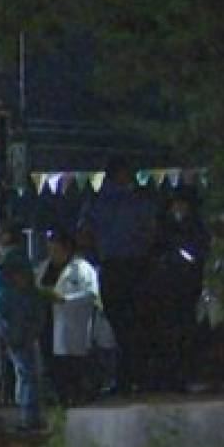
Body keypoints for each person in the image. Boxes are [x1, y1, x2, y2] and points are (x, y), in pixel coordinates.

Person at [78, 156, 157, 392]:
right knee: (133, 324)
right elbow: (151, 230)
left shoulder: (96, 202)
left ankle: (126, 376)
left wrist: (95, 258)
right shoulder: (136, 201)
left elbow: (84, 234)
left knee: (121, 324)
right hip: (133, 265)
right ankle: (134, 375)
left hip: (114, 265)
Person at [143, 187, 211, 391]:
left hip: (188, 285)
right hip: (165, 287)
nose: (178, 208)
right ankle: (168, 376)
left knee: (187, 329)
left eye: (182, 204)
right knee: (166, 331)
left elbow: (200, 249)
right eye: (175, 204)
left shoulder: (195, 227)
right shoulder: (163, 228)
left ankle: (187, 374)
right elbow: (154, 250)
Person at [36, 229, 101, 405]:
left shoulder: (82, 268)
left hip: (73, 324)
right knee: (51, 361)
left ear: (67, 249)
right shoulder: (44, 268)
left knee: (72, 363)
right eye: (49, 250)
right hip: (48, 322)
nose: (52, 254)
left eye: (56, 250)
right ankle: (59, 397)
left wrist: (65, 300)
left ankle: (76, 396)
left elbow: (91, 294)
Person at [0, 227, 48, 431]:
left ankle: (27, 414)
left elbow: (3, 298)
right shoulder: (19, 262)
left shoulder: (4, 264)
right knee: (29, 372)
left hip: (11, 322)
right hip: (21, 323)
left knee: (23, 371)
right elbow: (27, 295)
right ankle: (29, 416)